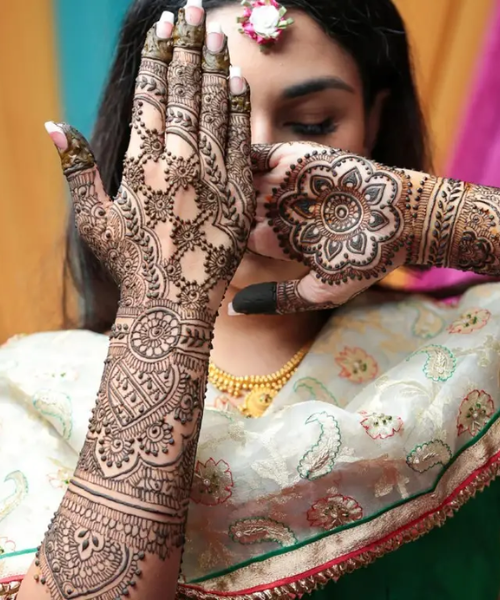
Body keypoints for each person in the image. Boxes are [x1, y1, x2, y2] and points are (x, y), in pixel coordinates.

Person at [0, 0, 499, 598]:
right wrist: (167, 309)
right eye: (204, 127)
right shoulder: (33, 393)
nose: (248, 173)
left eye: (313, 124)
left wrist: (431, 216)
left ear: (373, 124)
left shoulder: (471, 346)